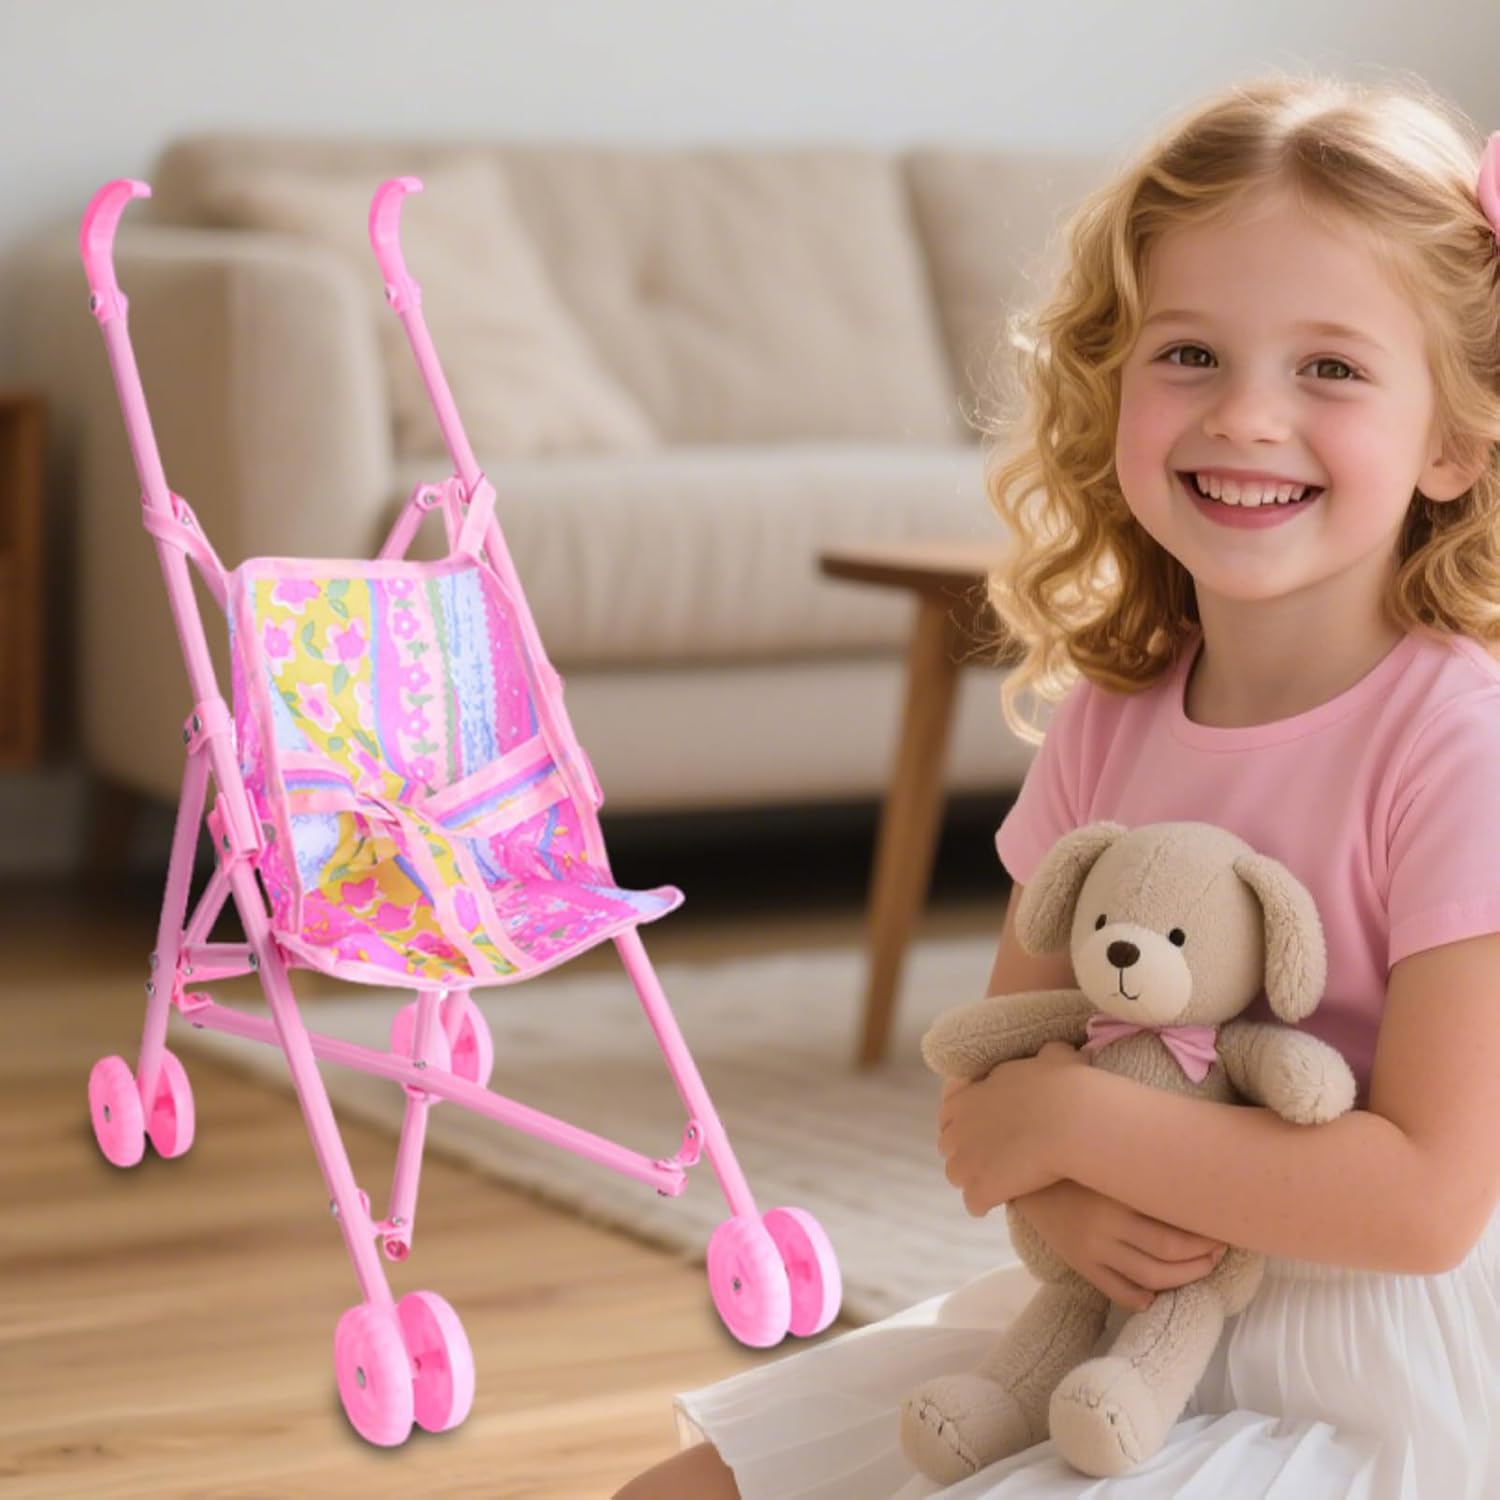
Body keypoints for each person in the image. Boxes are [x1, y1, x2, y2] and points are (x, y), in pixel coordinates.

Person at [614, 71, 1500, 1499]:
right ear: (1112, 384)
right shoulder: (1113, 717)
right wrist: (1070, 1200)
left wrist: (1086, 1128)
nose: (1247, 416)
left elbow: (1426, 1206)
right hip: (1109, 1330)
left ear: (1452, 439)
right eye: (1191, 353)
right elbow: (989, 1097)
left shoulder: (1460, 746)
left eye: (1330, 370)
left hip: (1373, 1370)